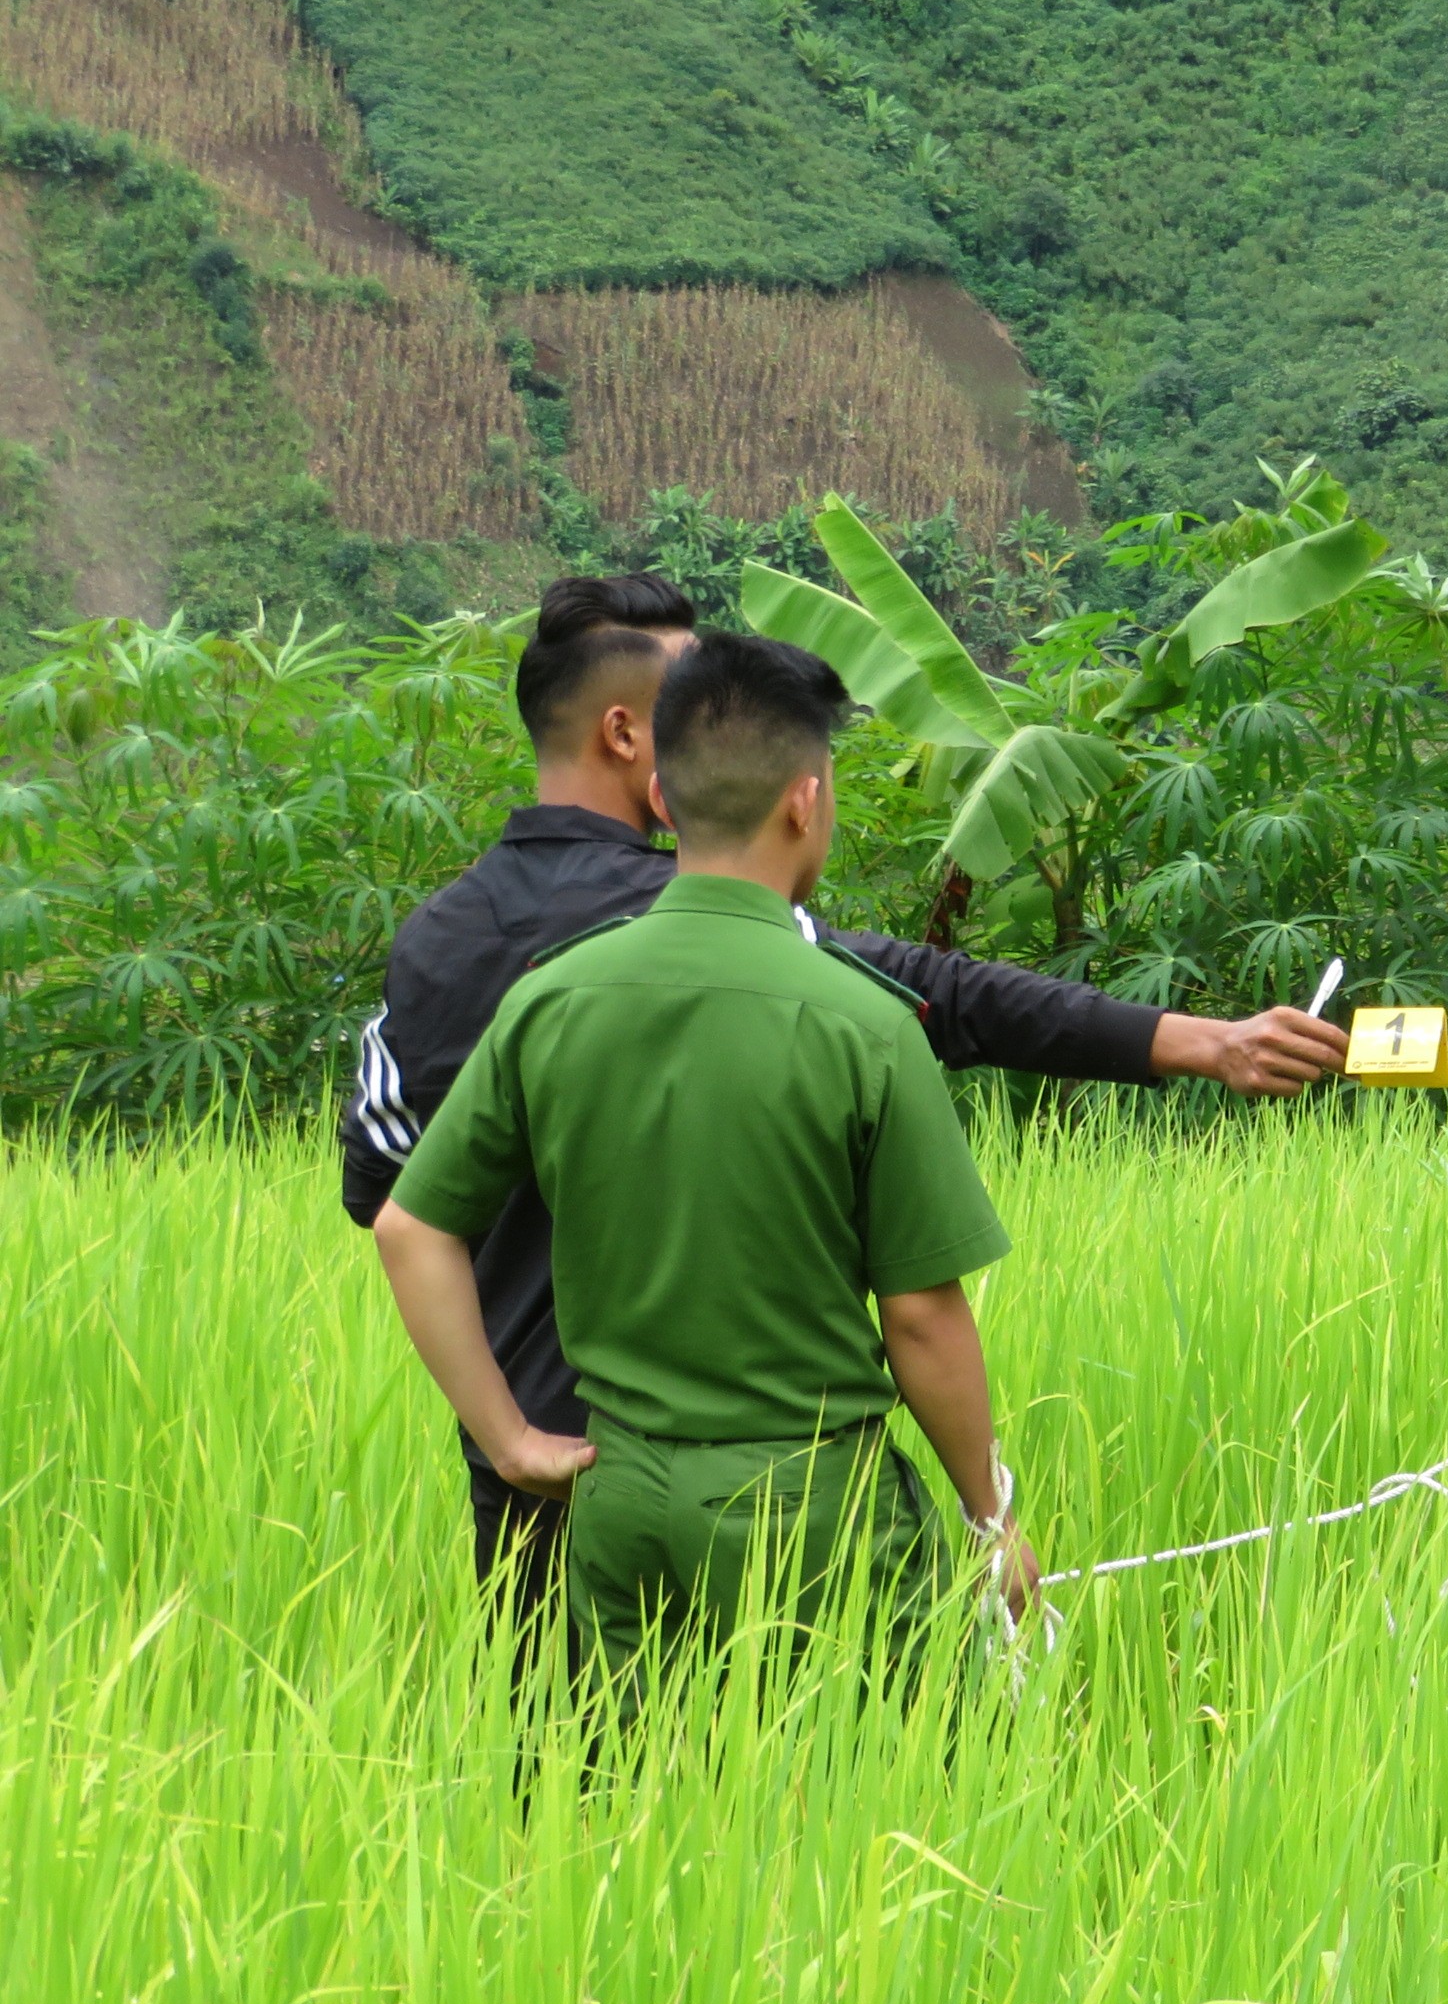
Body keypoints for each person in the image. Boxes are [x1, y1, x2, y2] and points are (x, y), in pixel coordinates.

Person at [341, 572, 1347, 1637]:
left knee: (577, 1778)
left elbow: (386, 1194)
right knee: (818, 1768)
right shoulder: (744, 943)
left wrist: (504, 1430)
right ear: (637, 736)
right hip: (744, 1475)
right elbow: (944, 1002)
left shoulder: (434, 945)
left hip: (536, 1473)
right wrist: (1196, 1041)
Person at [375, 632, 1039, 1686]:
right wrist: (986, 1516)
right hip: (812, 1514)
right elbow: (919, 1315)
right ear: (805, 800)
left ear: (671, 802)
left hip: (619, 1500)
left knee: (635, 1816)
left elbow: (411, 1226)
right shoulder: (864, 1025)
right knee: (892, 1811)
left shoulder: (552, 997)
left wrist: (508, 1440)